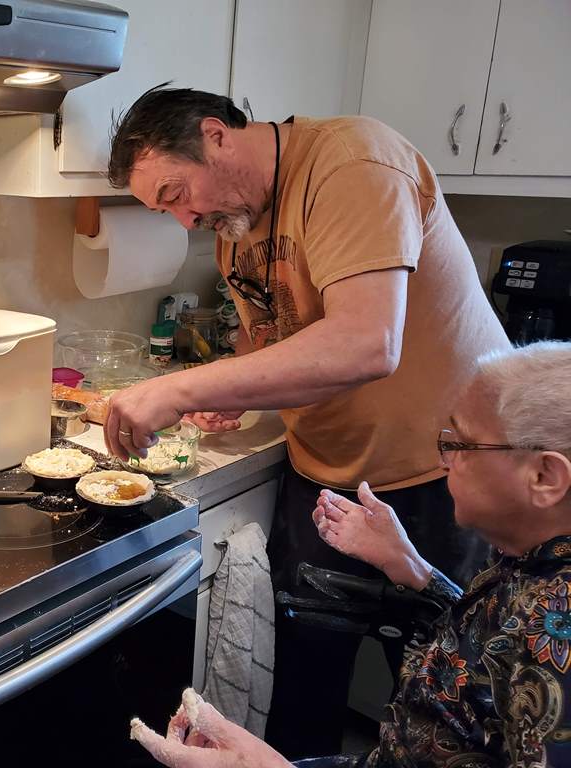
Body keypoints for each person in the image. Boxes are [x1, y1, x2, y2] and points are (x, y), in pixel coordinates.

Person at [104, 85, 510, 757]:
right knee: (303, 687)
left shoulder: (352, 164)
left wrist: (179, 388)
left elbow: (365, 342)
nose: (183, 219)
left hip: (443, 474)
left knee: (444, 705)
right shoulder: (236, 227)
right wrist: (240, 391)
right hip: (324, 472)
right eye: (163, 209)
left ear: (215, 136)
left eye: (175, 194)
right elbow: (278, 336)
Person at [129, 341, 571, 768]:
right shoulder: (527, 560)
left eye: (464, 445)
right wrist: (411, 568)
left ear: (545, 476)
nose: (443, 461)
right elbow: (487, 657)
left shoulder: (558, 628)